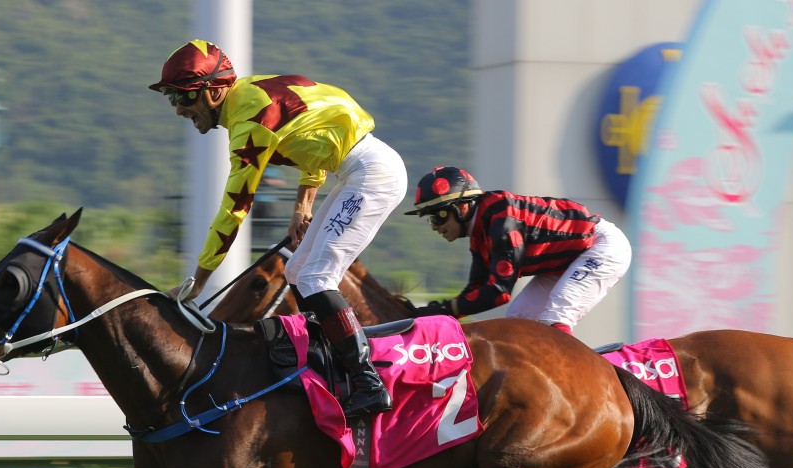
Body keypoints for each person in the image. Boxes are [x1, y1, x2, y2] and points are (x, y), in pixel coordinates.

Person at [150, 39, 407, 417]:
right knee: (297, 270)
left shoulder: (249, 122)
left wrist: (199, 281)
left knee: (317, 278)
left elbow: (234, 209)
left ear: (215, 91)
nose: (178, 109)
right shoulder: (250, 93)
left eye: (183, 97)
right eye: (173, 98)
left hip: (371, 174)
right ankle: (325, 359)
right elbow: (318, 139)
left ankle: (367, 381)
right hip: (358, 168)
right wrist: (303, 206)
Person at [405, 166, 631, 336]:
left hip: (600, 246)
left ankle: (577, 379)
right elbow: (476, 290)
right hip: (569, 259)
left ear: (462, 207)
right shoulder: (480, 233)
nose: (434, 226)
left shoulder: (502, 220)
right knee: (519, 320)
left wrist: (444, 310)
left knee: (555, 317)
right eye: (430, 219)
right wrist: (438, 310)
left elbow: (498, 292)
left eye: (438, 216)